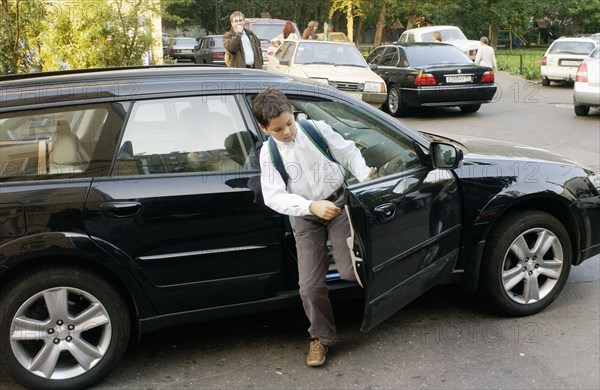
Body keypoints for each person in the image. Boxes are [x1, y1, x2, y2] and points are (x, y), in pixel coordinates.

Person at [252, 88, 376, 367]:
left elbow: (348, 153)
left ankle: (382, 300)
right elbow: (274, 196)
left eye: (289, 123)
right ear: (264, 128)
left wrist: (363, 173)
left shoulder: (315, 129)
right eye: (278, 129)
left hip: (339, 203)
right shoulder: (269, 153)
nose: (287, 132)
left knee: (349, 269)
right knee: (308, 286)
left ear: (293, 115)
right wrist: (310, 207)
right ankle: (322, 336)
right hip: (307, 215)